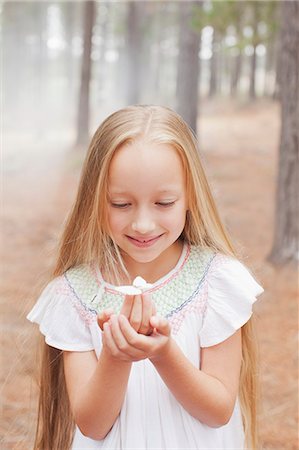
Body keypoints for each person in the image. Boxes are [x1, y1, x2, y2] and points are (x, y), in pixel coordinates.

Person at [27, 105, 264, 450]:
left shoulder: (216, 283)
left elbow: (218, 410)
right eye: (121, 204)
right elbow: (92, 425)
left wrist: (164, 354)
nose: (142, 224)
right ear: (95, 200)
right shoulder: (75, 296)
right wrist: (116, 357)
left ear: (190, 197)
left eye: (164, 202)